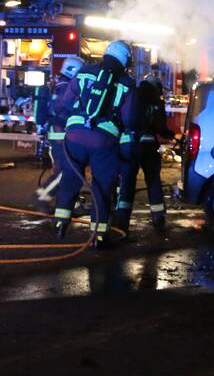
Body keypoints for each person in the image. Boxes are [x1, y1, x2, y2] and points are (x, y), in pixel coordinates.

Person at [53, 41, 135, 249]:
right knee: (102, 185)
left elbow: (65, 103)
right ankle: (98, 236)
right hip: (104, 142)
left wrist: (73, 124)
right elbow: (130, 118)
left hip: (74, 137)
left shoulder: (84, 72)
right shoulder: (126, 82)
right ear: (125, 59)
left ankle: (60, 223)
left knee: (70, 178)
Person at [117, 74, 176, 231]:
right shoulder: (157, 101)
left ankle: (122, 221)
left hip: (129, 145)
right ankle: (158, 218)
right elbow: (160, 128)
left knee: (127, 183)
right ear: (156, 87)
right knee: (153, 181)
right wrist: (171, 136)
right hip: (149, 147)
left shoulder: (132, 95)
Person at [33, 56, 84, 212]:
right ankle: (42, 197)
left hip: (60, 139)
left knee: (73, 172)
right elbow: (62, 116)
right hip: (61, 140)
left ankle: (71, 203)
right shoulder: (65, 90)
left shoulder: (60, 86)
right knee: (65, 173)